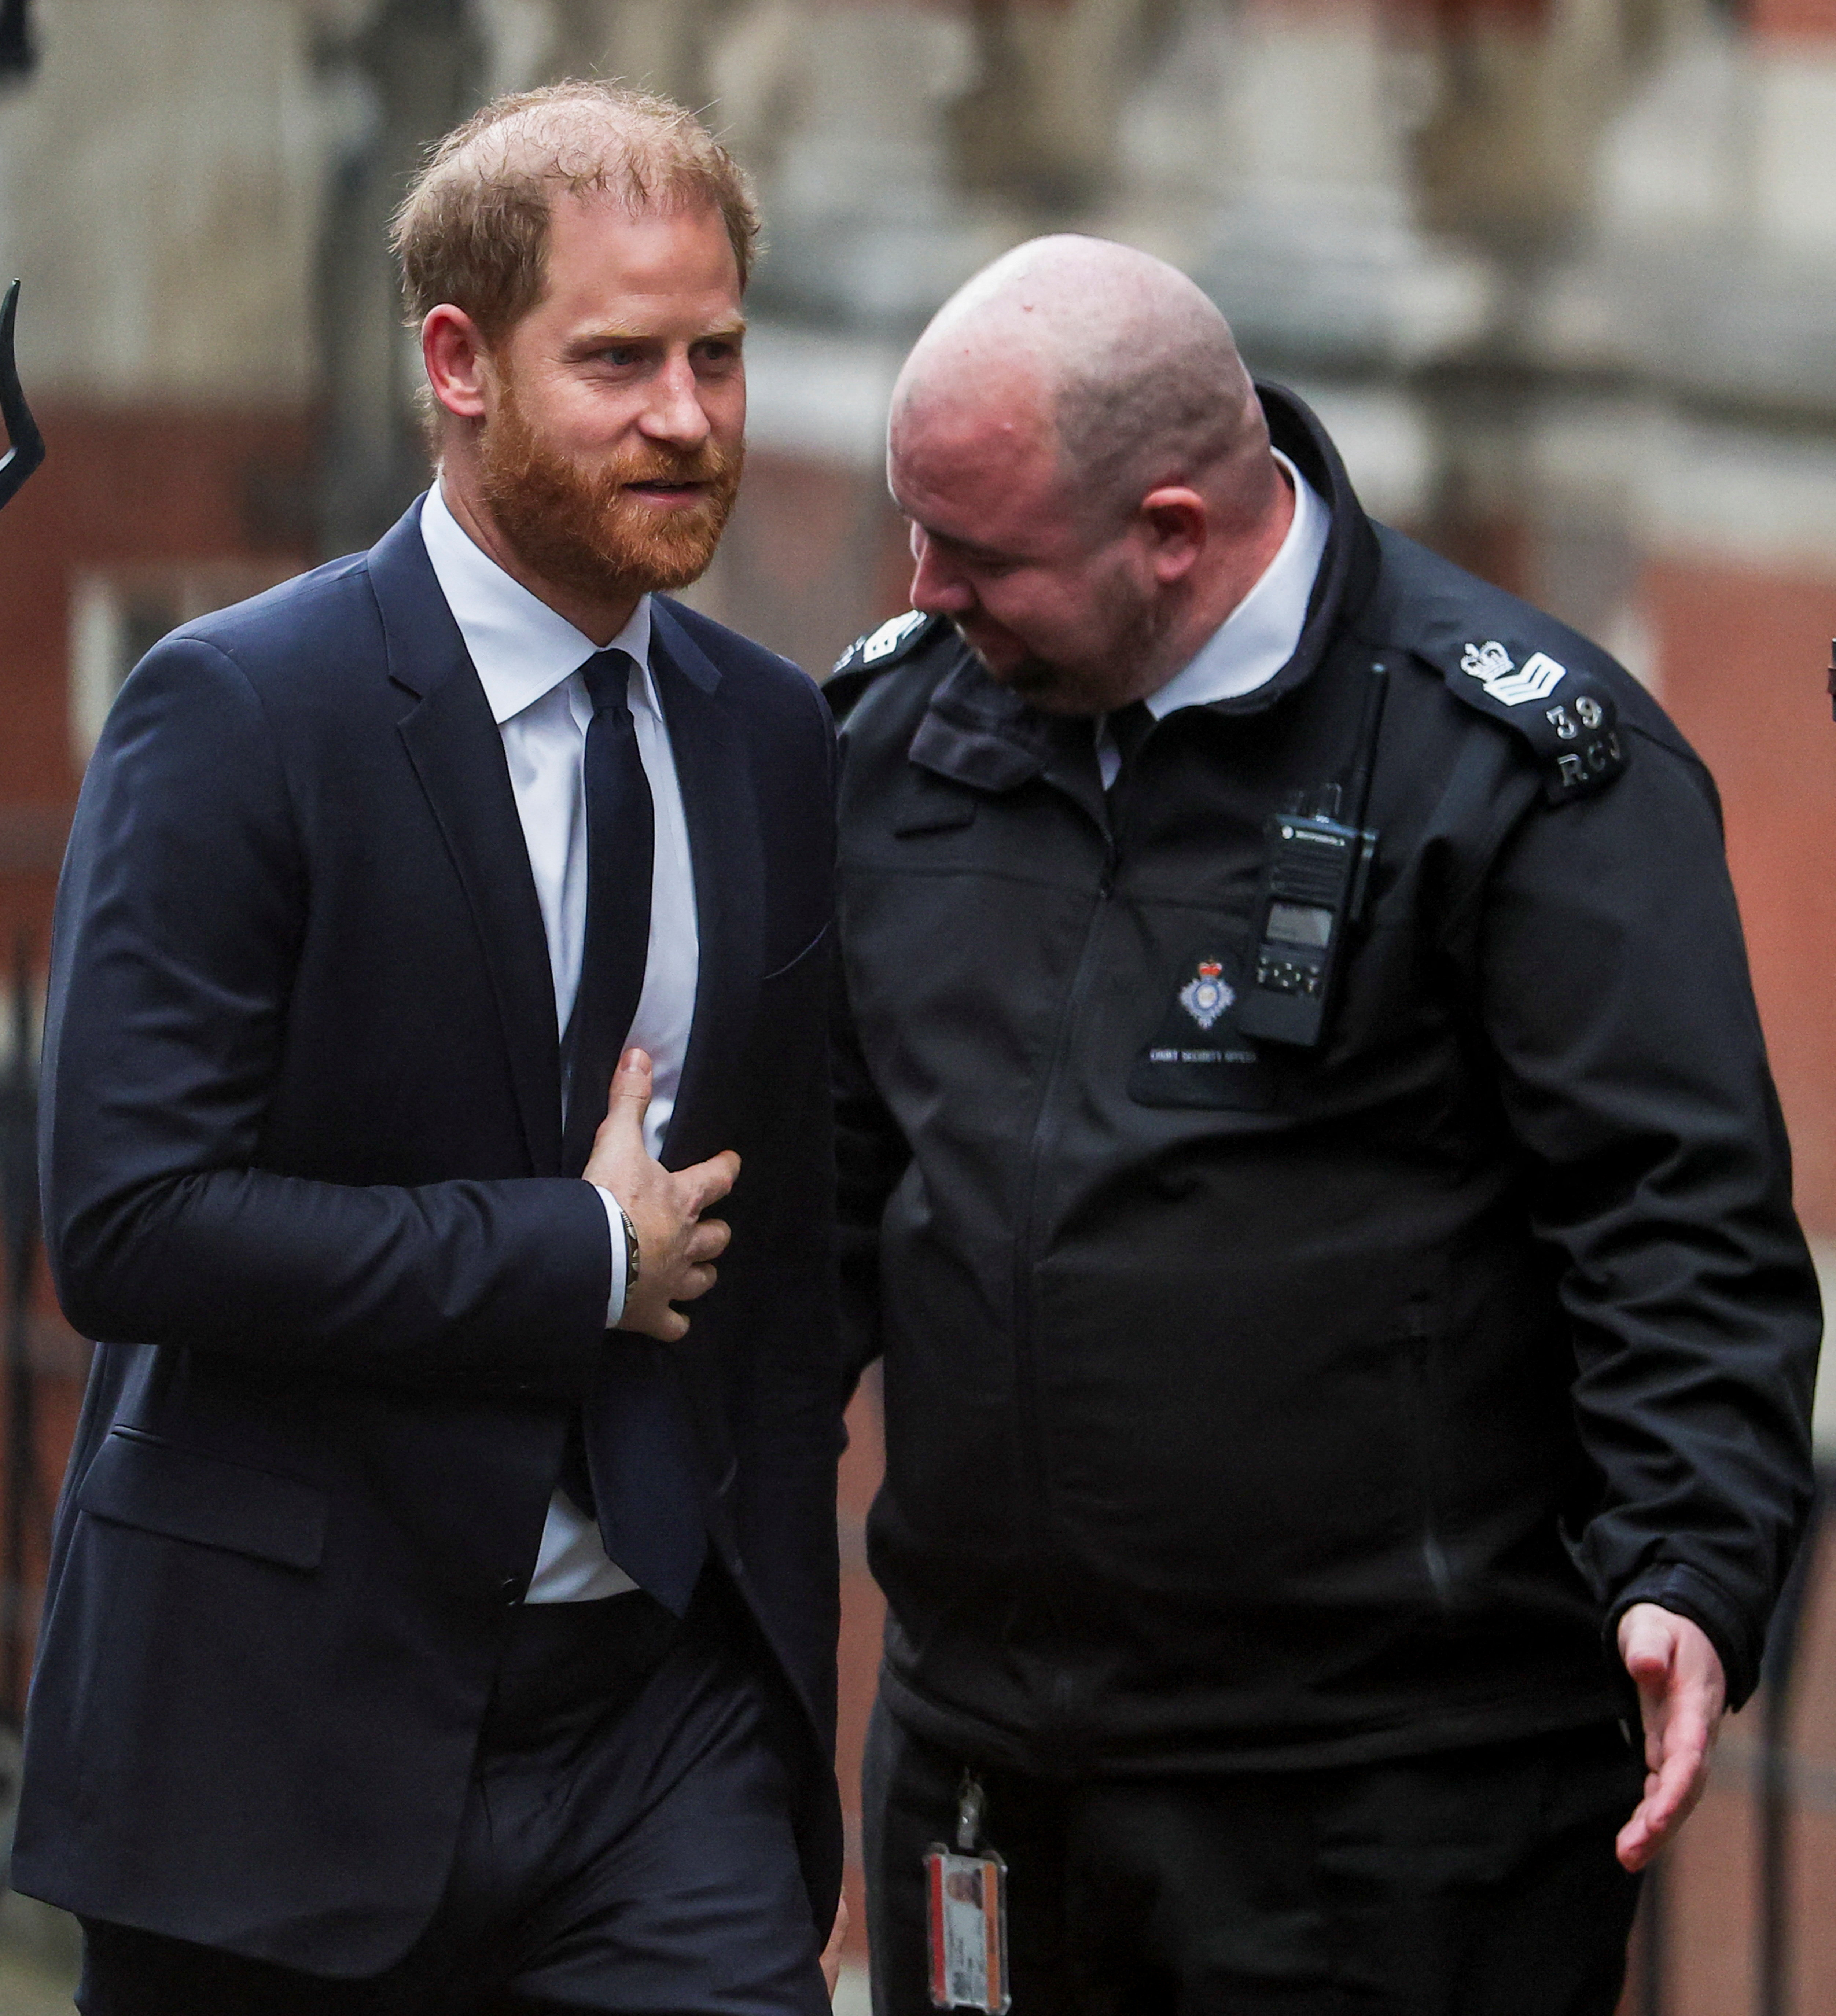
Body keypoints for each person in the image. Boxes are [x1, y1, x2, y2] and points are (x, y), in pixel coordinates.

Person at [828, 235, 1821, 2015]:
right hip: (986, 1767)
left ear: (1171, 533)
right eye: (917, 536)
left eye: (978, 555)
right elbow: (829, 1200)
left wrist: (1688, 1560)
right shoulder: (903, 737)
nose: (927, 590)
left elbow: (1672, 1218)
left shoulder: (1508, 765)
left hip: (1389, 1809)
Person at [15, 82, 844, 2016]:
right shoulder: (236, 709)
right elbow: (130, 1220)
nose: (687, 416)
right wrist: (575, 1259)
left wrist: (777, 1682)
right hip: (274, 1741)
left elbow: (791, 1264)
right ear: (456, 362)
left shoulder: (770, 736)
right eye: (620, 358)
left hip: (658, 1742)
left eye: (716, 353)